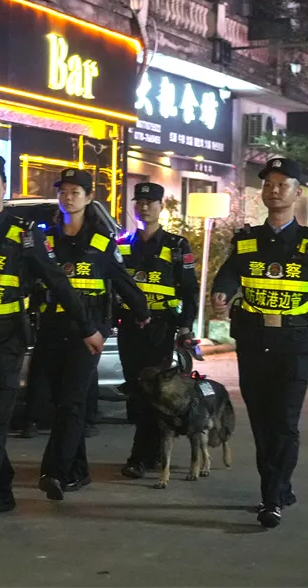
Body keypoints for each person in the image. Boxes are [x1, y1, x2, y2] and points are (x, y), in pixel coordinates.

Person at [0, 155, 105, 532]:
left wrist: (87, 327)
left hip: (4, 343)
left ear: (3, 186)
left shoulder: (24, 234)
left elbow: (57, 281)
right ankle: (1, 489)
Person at [211, 157, 308, 529]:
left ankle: (272, 498)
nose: (274, 191)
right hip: (253, 341)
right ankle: (277, 488)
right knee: (261, 421)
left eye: (282, 185)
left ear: (297, 193)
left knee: (284, 421)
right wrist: (222, 292)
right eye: (269, 185)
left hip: (293, 342)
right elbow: (228, 274)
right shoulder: (246, 240)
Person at [34, 168, 151, 500]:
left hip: (88, 335)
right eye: (63, 192)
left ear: (88, 198)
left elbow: (123, 281)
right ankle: (78, 470)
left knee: (72, 402)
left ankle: (54, 471)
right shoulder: (45, 240)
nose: (68, 197)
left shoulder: (101, 242)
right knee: (57, 403)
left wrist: (141, 311)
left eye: (75, 192)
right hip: (52, 328)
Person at [116, 182, 200, 480]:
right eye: (139, 202)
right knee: (135, 388)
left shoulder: (176, 246)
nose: (144, 207)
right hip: (129, 327)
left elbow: (189, 289)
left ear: (160, 207)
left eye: (150, 202)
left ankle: (140, 456)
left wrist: (186, 326)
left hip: (161, 328)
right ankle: (151, 452)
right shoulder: (121, 244)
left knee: (152, 388)